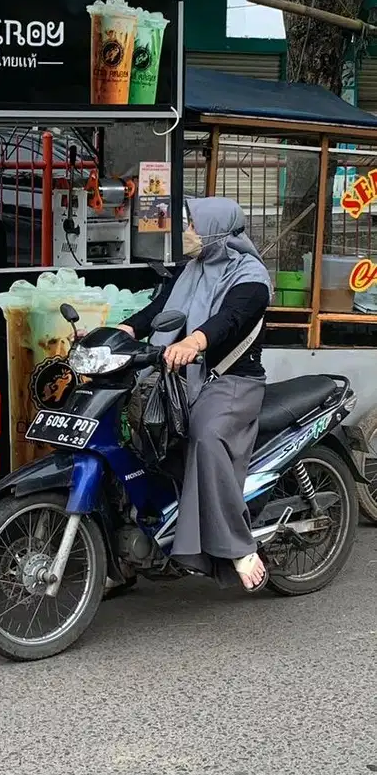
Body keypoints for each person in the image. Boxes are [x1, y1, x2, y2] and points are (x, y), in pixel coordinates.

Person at [123, 197, 272, 592]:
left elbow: (231, 319)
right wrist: (123, 330)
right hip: (181, 377)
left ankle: (239, 547)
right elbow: (158, 310)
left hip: (231, 382)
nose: (186, 232)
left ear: (216, 232)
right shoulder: (192, 269)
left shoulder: (251, 276)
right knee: (139, 435)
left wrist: (194, 342)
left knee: (205, 436)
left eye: (193, 226)